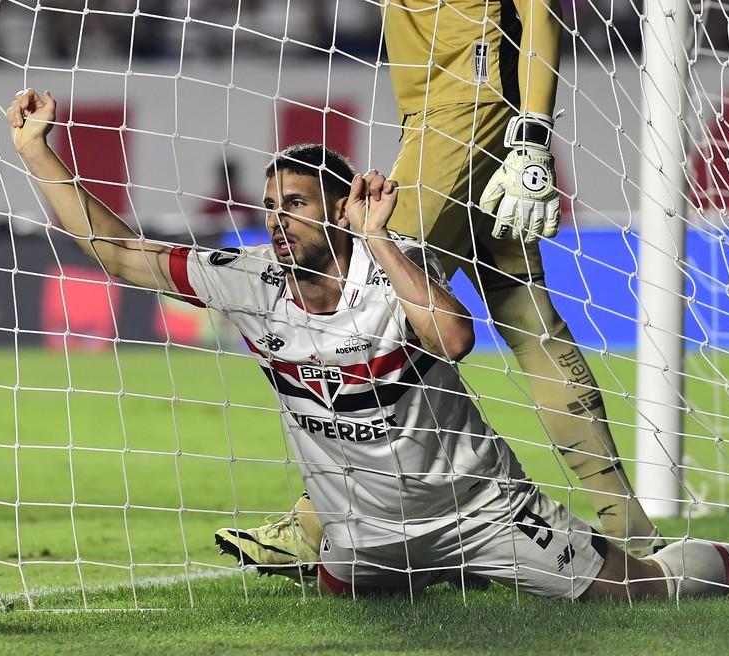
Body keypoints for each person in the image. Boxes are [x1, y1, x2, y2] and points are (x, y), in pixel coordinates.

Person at [5, 90, 729, 600]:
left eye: (296, 205)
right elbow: (120, 254)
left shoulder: (393, 268)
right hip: (361, 535)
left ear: (342, 209)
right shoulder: (248, 279)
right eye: (270, 206)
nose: (277, 221)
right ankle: (407, 566)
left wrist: (380, 240)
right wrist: (39, 153)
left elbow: (454, 337)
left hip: (480, 511)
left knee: (635, 590)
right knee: (347, 594)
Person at [231, 0, 665, 581]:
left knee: (372, 290)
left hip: (464, 108)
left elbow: (540, 11)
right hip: (450, 115)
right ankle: (634, 530)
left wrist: (534, 132)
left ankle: (317, 522)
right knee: (530, 322)